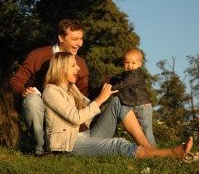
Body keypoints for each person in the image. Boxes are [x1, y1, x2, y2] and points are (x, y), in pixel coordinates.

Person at [42, 52, 193, 161]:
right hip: (70, 145)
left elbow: (91, 108)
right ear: (61, 68)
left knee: (117, 102)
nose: (78, 69)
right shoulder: (50, 91)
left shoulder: (72, 89)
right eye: (73, 66)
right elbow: (75, 118)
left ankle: (150, 150)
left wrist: (108, 93)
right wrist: (100, 100)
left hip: (88, 135)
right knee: (118, 144)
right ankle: (173, 153)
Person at [10, 19, 89, 156]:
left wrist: (109, 86)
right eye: (75, 39)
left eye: (81, 39)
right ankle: (40, 148)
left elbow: (84, 95)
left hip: (64, 112)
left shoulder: (80, 63)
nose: (79, 44)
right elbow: (16, 80)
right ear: (61, 38)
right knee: (32, 101)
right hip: (42, 105)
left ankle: (61, 146)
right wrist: (23, 90)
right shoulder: (38, 55)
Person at [108, 48, 156, 145]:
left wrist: (112, 88)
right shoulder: (128, 74)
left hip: (142, 106)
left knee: (146, 130)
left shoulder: (135, 74)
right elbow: (122, 80)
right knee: (139, 131)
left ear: (139, 64)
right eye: (127, 63)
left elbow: (125, 83)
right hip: (135, 104)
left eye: (133, 63)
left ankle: (153, 150)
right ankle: (144, 150)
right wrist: (112, 79)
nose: (130, 65)